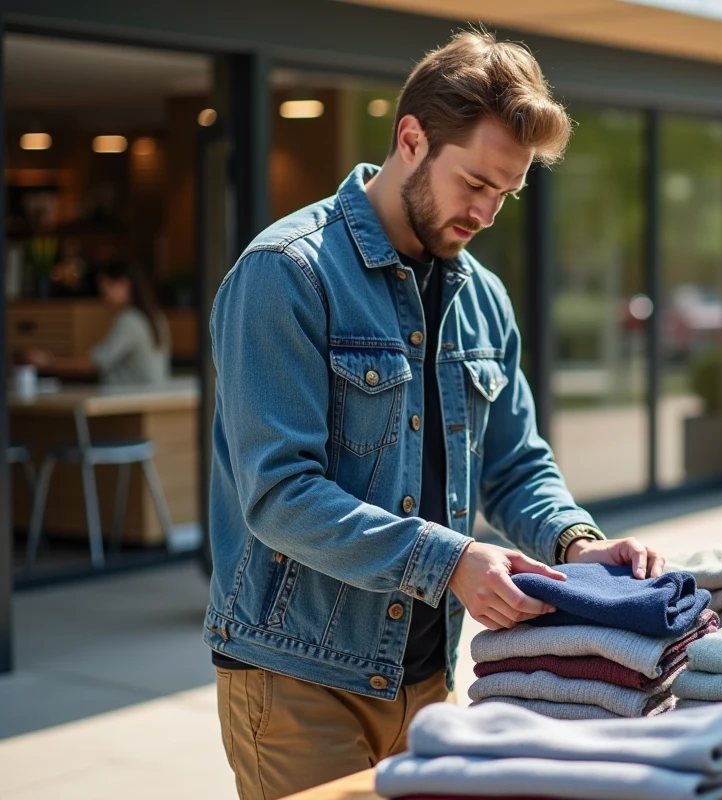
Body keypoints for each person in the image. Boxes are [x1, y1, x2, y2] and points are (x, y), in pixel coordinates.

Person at [205, 30, 665, 800]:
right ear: (411, 139)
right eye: (475, 183)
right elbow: (277, 494)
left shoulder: (483, 298)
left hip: (428, 681)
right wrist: (449, 561)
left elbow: (516, 465)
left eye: (505, 194)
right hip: (295, 680)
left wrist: (576, 542)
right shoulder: (285, 273)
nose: (487, 212)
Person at [20, 260, 170, 386]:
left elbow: (94, 363)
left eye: (107, 287)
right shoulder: (156, 316)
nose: (103, 294)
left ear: (124, 284)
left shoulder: (129, 320)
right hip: (146, 399)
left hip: (126, 403)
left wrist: (48, 363)